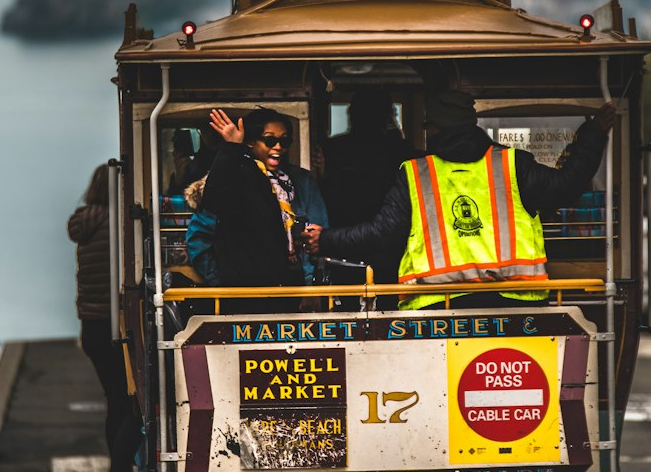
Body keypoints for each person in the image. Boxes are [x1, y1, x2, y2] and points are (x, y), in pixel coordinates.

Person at [304, 90, 615, 309]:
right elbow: (568, 184)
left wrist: (326, 239)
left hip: (438, 309)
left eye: (426, 125)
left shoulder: (415, 173)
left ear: (437, 128)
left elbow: (381, 232)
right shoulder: (511, 164)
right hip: (516, 305)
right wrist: (594, 133)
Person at [67, 164, 140, 472]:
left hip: (91, 327)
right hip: (117, 325)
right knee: (133, 403)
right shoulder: (119, 224)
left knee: (115, 400)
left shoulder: (87, 224)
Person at [202, 108, 329, 287]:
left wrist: (310, 284)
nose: (278, 147)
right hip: (246, 290)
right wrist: (219, 283)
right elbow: (208, 211)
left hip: (288, 284)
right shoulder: (239, 177)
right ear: (251, 142)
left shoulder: (299, 181)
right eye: (270, 140)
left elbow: (317, 233)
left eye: (284, 141)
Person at [320, 89, 412, 228]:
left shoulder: (332, 148)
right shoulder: (398, 149)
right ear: (387, 117)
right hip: (388, 229)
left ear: (352, 115)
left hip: (342, 228)